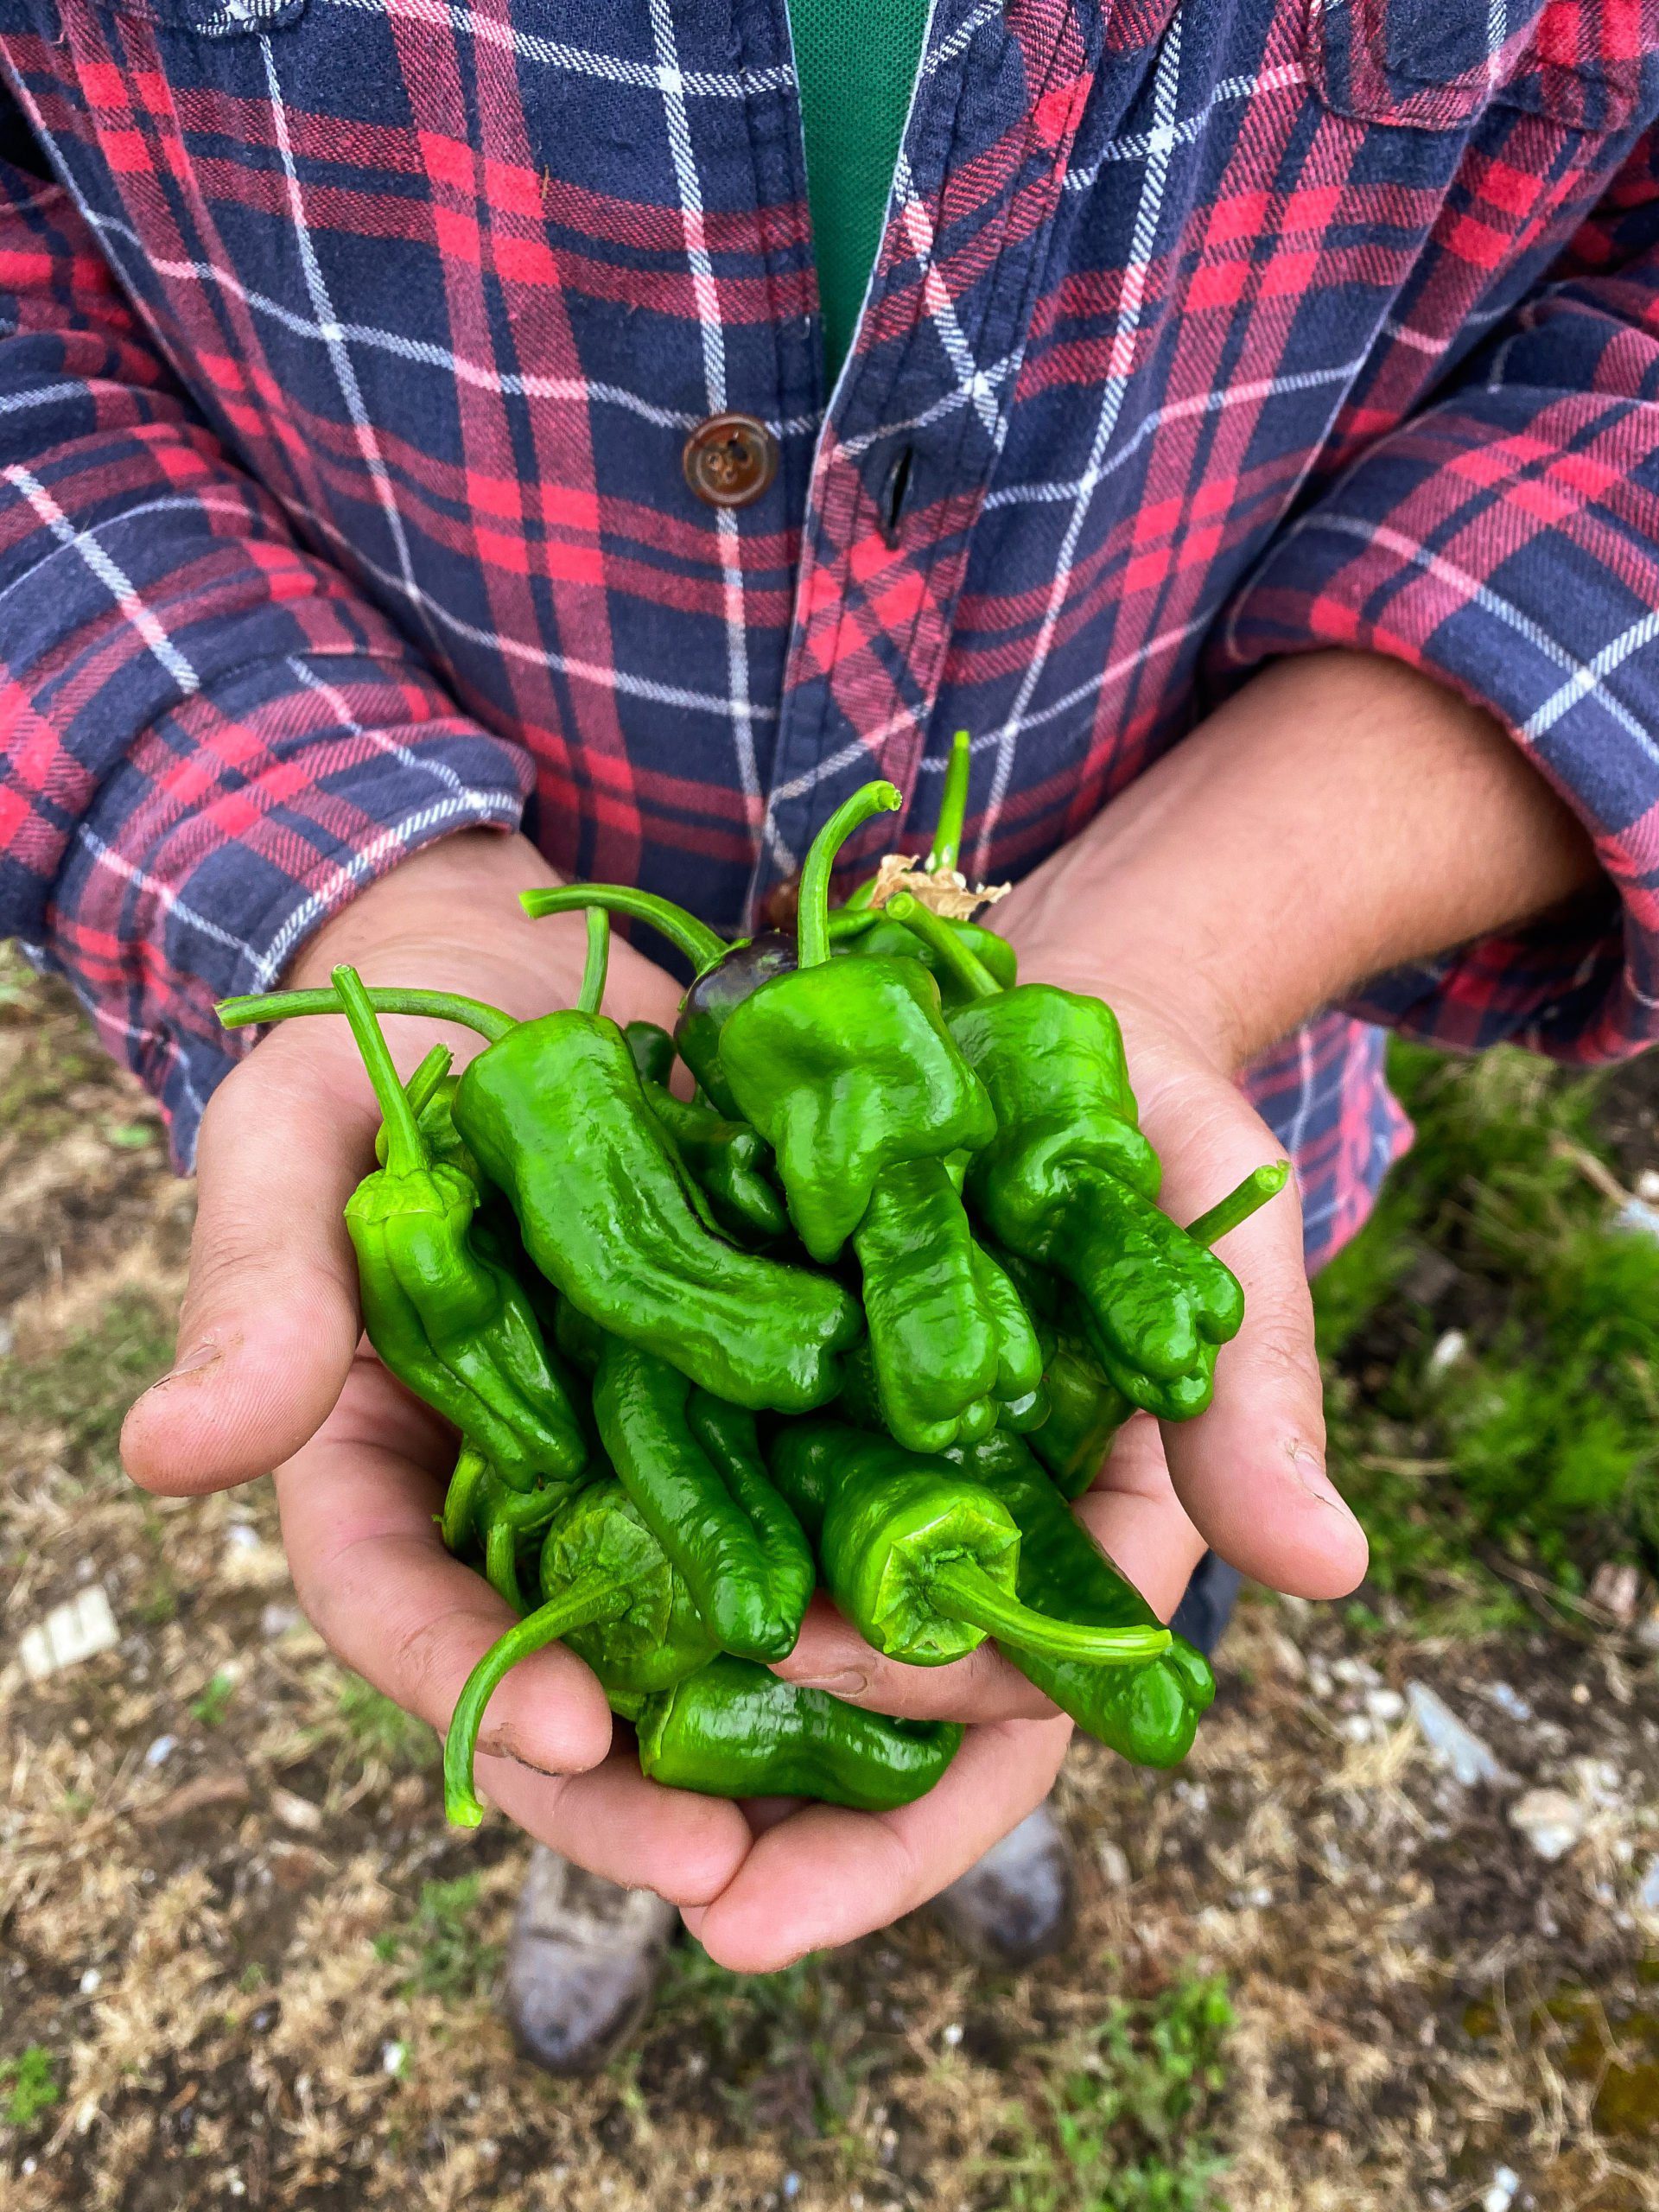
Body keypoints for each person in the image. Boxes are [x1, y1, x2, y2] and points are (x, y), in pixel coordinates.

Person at [0, 0, 1645, 2074]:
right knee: (621, 1654)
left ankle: (913, 1821)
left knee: (1054, 1571)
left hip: (1211, 1082)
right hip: (451, 871)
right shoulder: (535, 1204)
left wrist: (1227, 909)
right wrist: (343, 869)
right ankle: (609, 1851)